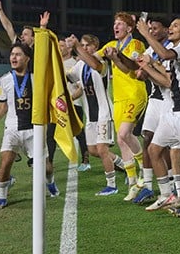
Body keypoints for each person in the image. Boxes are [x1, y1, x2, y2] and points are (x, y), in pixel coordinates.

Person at [73, 12, 148, 201]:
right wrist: (76, 49)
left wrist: (115, 58)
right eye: (115, 23)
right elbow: (92, 62)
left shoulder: (136, 45)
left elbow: (130, 67)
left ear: (129, 29)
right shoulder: (110, 45)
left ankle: (144, 171)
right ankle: (132, 183)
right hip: (118, 98)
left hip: (135, 94)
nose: (116, 26)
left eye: (120, 24)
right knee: (122, 142)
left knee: (123, 134)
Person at [137, 16, 180, 211]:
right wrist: (148, 67)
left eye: (176, 26)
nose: (172, 28)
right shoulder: (176, 51)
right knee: (154, 149)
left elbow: (166, 55)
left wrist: (144, 33)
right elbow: (167, 79)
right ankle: (167, 194)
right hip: (174, 109)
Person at [0, 43, 56, 209]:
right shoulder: (3, 80)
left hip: (34, 130)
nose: (13, 57)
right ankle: (2, 197)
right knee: (5, 163)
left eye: (18, 54)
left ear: (27, 58)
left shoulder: (37, 79)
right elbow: (3, 106)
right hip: (11, 129)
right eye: (12, 54)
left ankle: (51, 182)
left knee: (46, 167)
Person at [65, 34, 125, 195]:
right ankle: (125, 166)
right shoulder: (80, 66)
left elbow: (95, 65)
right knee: (93, 151)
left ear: (95, 46)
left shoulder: (102, 63)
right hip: (90, 115)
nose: (84, 48)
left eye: (87, 46)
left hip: (104, 113)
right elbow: (69, 78)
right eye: (82, 46)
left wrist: (76, 47)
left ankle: (112, 185)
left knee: (102, 149)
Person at [130, 15, 173, 204]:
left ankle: (172, 186)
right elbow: (140, 73)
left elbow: (163, 65)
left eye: (155, 28)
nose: (153, 31)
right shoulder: (151, 49)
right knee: (147, 138)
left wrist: (146, 35)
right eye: (151, 29)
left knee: (166, 146)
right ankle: (148, 186)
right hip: (155, 98)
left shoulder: (170, 48)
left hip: (170, 100)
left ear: (166, 29)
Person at [59, 35, 91, 172]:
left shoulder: (74, 64)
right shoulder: (56, 64)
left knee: (79, 133)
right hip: (59, 105)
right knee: (53, 132)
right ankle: (46, 161)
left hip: (74, 104)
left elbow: (81, 87)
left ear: (69, 48)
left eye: (62, 46)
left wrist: (70, 99)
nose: (59, 48)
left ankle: (85, 160)